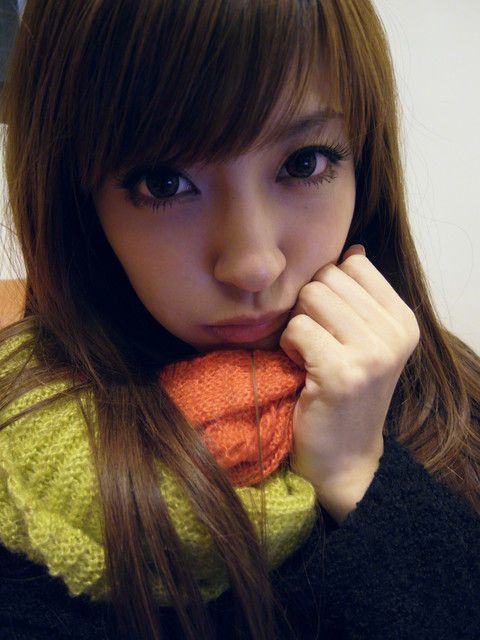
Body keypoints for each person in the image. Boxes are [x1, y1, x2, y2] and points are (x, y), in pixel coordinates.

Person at [0, 1, 479, 639]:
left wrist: (359, 474)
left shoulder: (454, 397)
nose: (253, 265)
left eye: (304, 162)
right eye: (163, 183)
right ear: (77, 202)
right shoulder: (22, 466)